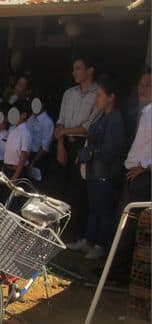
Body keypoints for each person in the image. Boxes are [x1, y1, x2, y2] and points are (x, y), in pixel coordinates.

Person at [68, 77, 125, 260]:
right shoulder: (100, 116)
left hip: (105, 174)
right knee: (93, 209)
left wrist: (89, 153)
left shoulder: (115, 119)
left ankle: (100, 245)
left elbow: (109, 150)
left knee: (104, 211)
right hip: (93, 172)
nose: (97, 99)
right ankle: (88, 240)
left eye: (100, 96)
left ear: (111, 97)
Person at [109, 67, 151, 278]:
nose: (142, 89)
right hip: (136, 174)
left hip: (142, 178)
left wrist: (144, 166)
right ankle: (116, 269)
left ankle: (116, 272)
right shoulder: (145, 111)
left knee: (126, 225)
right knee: (124, 223)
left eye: (148, 85)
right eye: (141, 84)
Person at [55, 56, 100, 237]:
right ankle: (57, 229)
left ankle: (73, 233)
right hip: (65, 143)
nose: (75, 72)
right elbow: (60, 123)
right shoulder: (69, 93)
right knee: (60, 188)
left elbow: (88, 127)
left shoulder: (98, 93)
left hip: (83, 145)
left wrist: (64, 131)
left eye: (79, 68)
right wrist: (60, 145)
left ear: (90, 70)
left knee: (78, 191)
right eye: (74, 69)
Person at [27, 96, 54, 181]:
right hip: (26, 154)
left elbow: (44, 147)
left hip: (38, 157)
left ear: (42, 104)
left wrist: (33, 162)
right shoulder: (31, 117)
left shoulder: (47, 121)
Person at [3, 100, 32, 181]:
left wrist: (15, 177)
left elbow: (23, 156)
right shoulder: (12, 129)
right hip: (7, 169)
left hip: (17, 172)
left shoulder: (25, 133)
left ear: (24, 115)